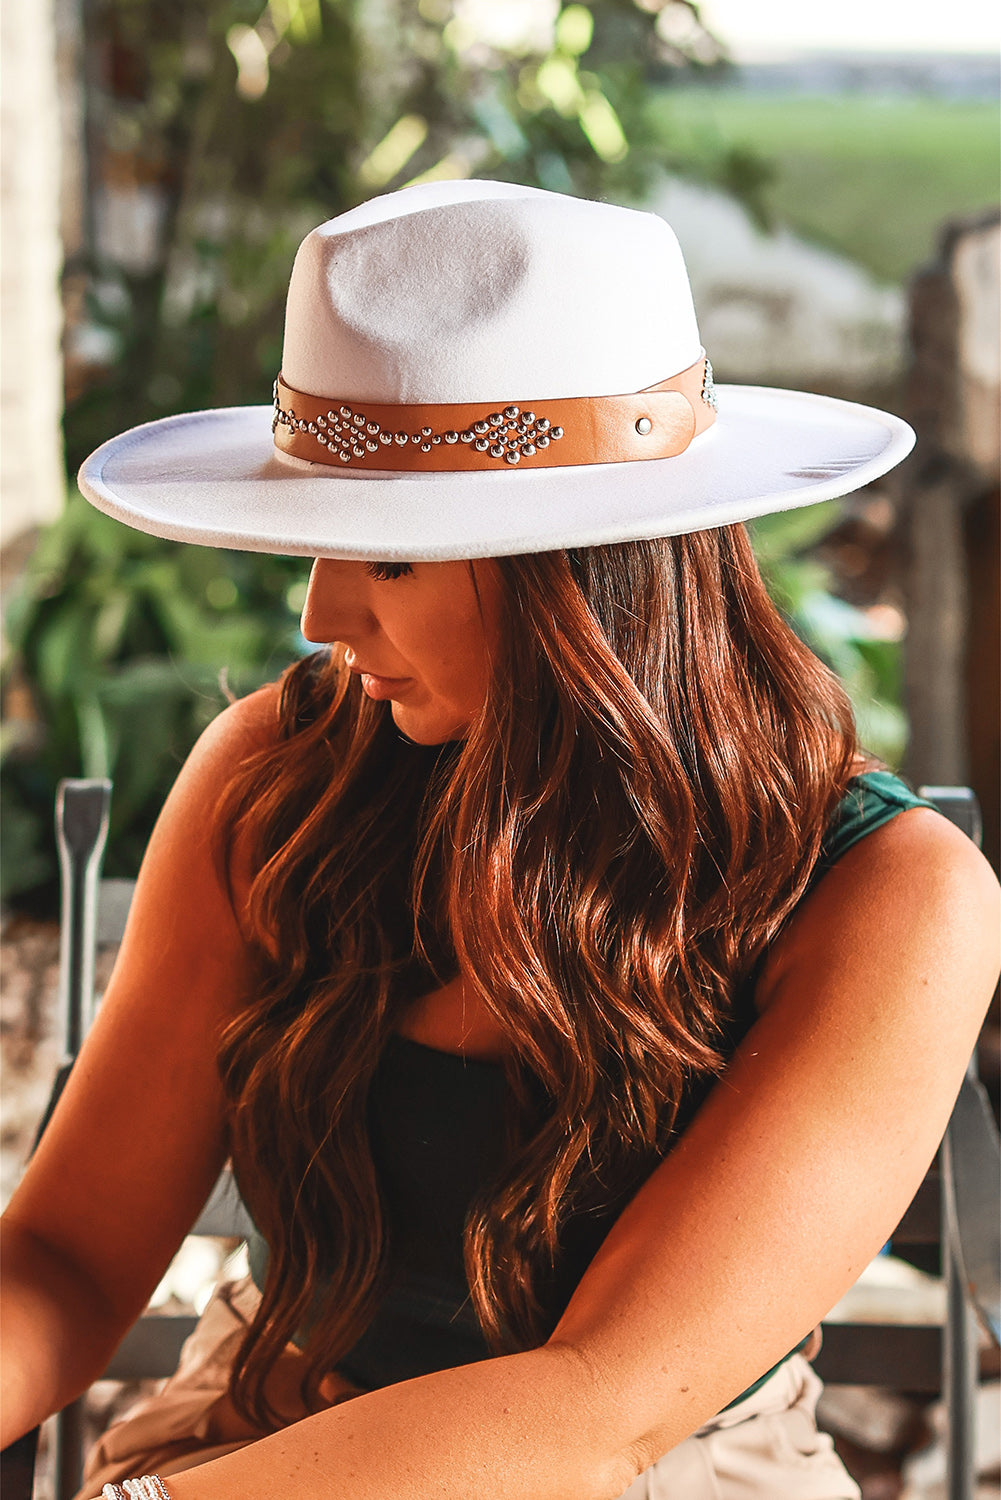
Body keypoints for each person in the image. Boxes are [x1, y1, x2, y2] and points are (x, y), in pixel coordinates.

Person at [2, 180, 998, 1500]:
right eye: (319, 538)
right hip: (270, 1436)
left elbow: (600, 1407)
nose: (321, 612)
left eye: (392, 559)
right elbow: (66, 1256)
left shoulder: (883, 895)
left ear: (583, 572)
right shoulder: (277, 778)